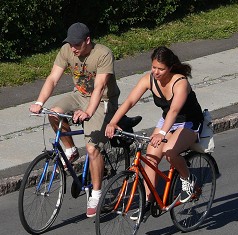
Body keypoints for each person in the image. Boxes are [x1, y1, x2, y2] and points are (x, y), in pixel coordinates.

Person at [29, 22, 120, 218]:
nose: (73, 49)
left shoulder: (103, 54)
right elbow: (53, 78)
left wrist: (87, 112)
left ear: (88, 40)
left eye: (76, 45)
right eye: (70, 44)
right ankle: (70, 150)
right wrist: (39, 101)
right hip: (78, 95)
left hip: (103, 101)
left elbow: (99, 87)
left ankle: (96, 193)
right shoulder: (66, 50)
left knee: (92, 148)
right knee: (53, 113)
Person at [105, 46, 204, 220]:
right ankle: (149, 203)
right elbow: (129, 102)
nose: (156, 72)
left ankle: (188, 179)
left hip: (188, 121)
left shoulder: (180, 83)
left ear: (170, 67)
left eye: (161, 69)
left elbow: (174, 110)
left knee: (170, 152)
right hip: (167, 121)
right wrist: (113, 122)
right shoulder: (148, 79)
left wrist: (162, 133)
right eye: (154, 67)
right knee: (150, 158)